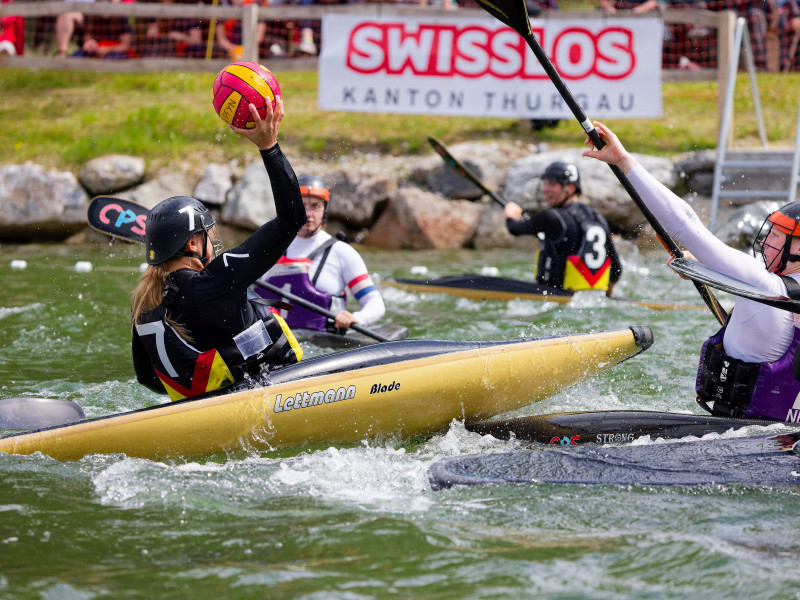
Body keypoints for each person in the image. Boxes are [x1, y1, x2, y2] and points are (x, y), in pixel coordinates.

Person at [583, 120, 800, 422]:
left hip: (739, 437)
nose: (766, 240)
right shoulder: (780, 292)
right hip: (778, 435)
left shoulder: (765, 286)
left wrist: (623, 160)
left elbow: (687, 225)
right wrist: (704, 270)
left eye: (777, 235)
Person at [131, 98, 307, 401]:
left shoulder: (145, 306)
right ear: (193, 243)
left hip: (203, 414)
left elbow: (147, 378)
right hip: (272, 402)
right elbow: (293, 220)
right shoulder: (218, 280)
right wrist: (270, 146)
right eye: (208, 236)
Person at [257, 175, 386, 333]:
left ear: (325, 210)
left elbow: (375, 303)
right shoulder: (269, 248)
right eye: (302, 205)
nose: (308, 214)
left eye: (315, 206)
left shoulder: (341, 252)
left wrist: (357, 318)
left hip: (324, 343)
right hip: (276, 342)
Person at [503, 161, 623, 296]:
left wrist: (511, 214)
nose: (545, 189)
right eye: (545, 184)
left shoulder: (550, 217)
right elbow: (616, 269)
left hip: (552, 296)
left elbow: (515, 228)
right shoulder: (597, 218)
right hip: (589, 298)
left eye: (552, 184)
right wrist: (608, 293)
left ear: (570, 188)